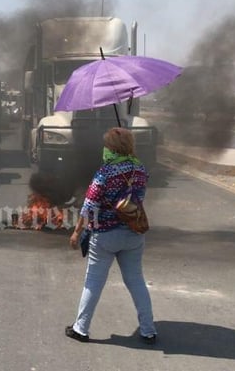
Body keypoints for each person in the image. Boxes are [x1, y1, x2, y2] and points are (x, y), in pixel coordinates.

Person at [66, 127, 156, 344]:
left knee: (93, 282)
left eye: (107, 146)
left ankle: (81, 328)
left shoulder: (104, 172)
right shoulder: (140, 169)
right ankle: (148, 330)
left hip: (105, 235)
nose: (104, 150)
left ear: (112, 148)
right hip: (134, 233)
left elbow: (89, 206)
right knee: (136, 281)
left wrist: (77, 231)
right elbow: (139, 196)